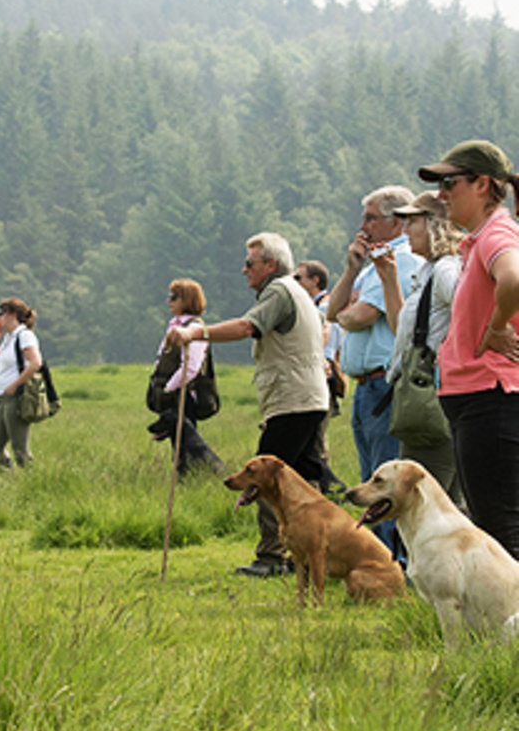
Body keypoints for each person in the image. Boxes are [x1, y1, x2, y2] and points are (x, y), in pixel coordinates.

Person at [167, 233, 336, 577]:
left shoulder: (278, 291)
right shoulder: (298, 293)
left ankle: (273, 557)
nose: (244, 270)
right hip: (310, 397)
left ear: (270, 265)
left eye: (250, 263)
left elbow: (247, 326)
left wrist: (195, 333)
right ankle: (326, 550)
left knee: (266, 478)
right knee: (313, 477)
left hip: (293, 400)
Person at [417, 140, 519, 559]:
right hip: (479, 399)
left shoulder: (497, 233)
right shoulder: (479, 239)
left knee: (500, 527)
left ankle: (511, 621)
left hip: (489, 397)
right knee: (494, 519)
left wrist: (496, 328)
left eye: (449, 182)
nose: (442, 194)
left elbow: (513, 279)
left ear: (482, 185)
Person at [326, 186, 423, 556]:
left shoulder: (403, 261)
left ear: (396, 222)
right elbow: (334, 312)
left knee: (385, 483)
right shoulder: (370, 267)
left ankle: (393, 562)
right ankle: (380, 559)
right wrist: (351, 270)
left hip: (385, 385)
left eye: (370, 218)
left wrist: (351, 310)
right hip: (365, 387)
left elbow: (356, 316)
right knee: (371, 479)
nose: (362, 225)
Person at [373, 191, 463, 504]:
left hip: (432, 403)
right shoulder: (427, 272)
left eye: (412, 220)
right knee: (445, 505)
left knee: (422, 505)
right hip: (425, 398)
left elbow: (468, 310)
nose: (406, 228)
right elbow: (405, 335)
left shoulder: (446, 270)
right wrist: (388, 279)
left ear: (435, 224)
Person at [148, 278, 224, 474]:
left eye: (174, 297)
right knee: (178, 444)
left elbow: (191, 368)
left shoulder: (194, 328)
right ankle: (187, 479)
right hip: (175, 393)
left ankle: (191, 480)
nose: (169, 300)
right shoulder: (175, 324)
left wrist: (168, 388)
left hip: (185, 395)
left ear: (187, 300)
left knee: (187, 446)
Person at [293, 260, 344, 495]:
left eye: (299, 278)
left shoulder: (324, 308)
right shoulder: (315, 305)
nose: (295, 283)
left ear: (315, 281)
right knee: (313, 439)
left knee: (316, 440)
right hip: (318, 376)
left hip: (321, 377)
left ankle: (329, 492)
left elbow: (326, 347)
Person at [0, 297, 41, 468]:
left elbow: (35, 363)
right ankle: (8, 481)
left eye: (1, 313)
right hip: (1, 397)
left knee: (20, 448)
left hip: (16, 397)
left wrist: (15, 385)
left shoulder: (24, 336)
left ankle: (32, 482)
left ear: (12, 315)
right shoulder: (8, 338)